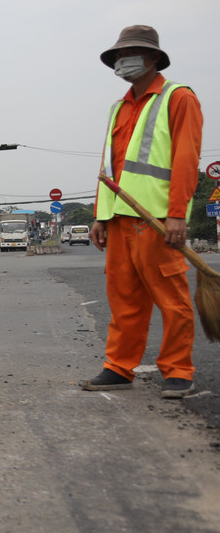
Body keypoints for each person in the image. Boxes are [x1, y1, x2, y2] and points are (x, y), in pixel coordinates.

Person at [82, 25, 203, 400]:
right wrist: (101, 216)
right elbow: (111, 167)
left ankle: (178, 371)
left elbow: (186, 158)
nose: (122, 60)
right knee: (124, 298)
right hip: (119, 219)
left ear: (152, 58)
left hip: (157, 219)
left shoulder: (178, 98)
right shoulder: (118, 107)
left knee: (171, 298)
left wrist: (178, 214)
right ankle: (119, 366)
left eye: (129, 53)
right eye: (118, 55)